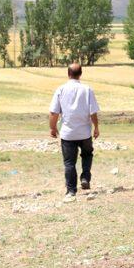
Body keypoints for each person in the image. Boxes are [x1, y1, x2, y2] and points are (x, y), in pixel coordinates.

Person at [50, 63, 100, 202]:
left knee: (69, 162)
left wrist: (53, 128)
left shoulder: (61, 89)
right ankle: (85, 177)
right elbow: (93, 112)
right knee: (87, 154)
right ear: (81, 74)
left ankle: (71, 191)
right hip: (84, 132)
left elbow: (54, 112)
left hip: (67, 133)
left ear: (68, 74)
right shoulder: (87, 89)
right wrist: (96, 127)